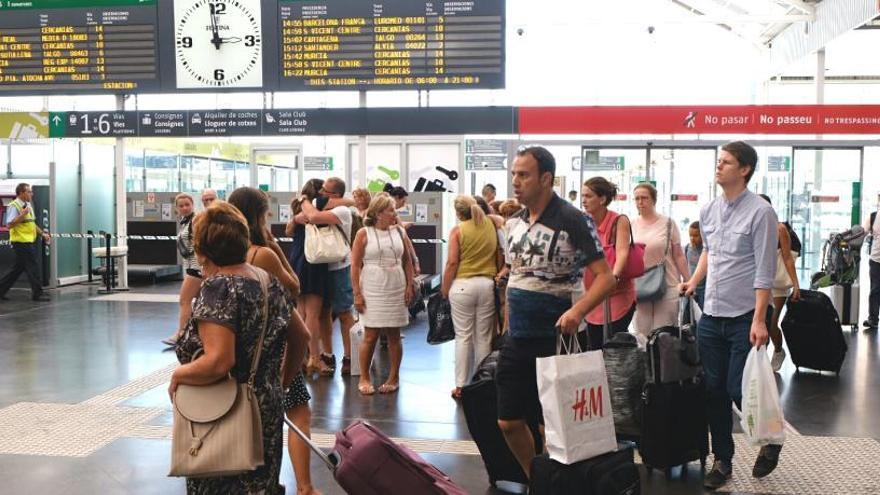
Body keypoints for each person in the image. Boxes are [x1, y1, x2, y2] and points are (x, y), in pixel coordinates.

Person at [498, 146, 614, 479]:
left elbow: (605, 278)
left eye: (524, 175)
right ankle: (536, 476)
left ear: (546, 178)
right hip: (517, 338)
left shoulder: (573, 218)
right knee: (508, 420)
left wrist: (578, 311)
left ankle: (557, 482)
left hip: (559, 340)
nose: (516, 182)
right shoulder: (514, 223)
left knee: (555, 423)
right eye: (514, 175)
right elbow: (516, 278)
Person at [169, 201, 296, 495]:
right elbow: (300, 337)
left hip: (225, 408)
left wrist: (181, 375)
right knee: (261, 485)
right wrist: (279, 383)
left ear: (202, 249)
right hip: (266, 405)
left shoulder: (219, 288)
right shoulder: (267, 282)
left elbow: (218, 361)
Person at [681, 141, 781, 490]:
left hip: (744, 316)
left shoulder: (761, 213)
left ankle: (771, 440)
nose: (718, 166)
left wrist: (759, 320)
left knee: (738, 387)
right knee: (713, 390)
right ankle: (722, 460)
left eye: (726, 162)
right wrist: (694, 281)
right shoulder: (709, 210)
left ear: (745, 170)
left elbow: (764, 270)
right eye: (718, 161)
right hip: (712, 314)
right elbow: (710, 251)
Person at [226, 187, 319, 495]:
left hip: (239, 354)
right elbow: (293, 287)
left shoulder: (222, 254)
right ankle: (304, 486)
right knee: (298, 413)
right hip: (274, 351)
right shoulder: (261, 253)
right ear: (258, 215)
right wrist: (276, 248)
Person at [351, 193, 416, 395]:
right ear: (379, 213)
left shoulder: (400, 232)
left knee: (394, 334)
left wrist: (409, 285)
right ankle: (364, 377)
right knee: (370, 335)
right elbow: (354, 265)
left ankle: (394, 377)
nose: (394, 213)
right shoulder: (363, 233)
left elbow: (407, 261)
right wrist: (357, 293)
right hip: (372, 285)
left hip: (396, 283)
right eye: (390, 210)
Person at [441, 195, 501, 400]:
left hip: (462, 286)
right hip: (487, 285)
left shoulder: (458, 231)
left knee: (463, 337)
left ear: (458, 213)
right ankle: (482, 383)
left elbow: (452, 263)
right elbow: (498, 254)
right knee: (483, 337)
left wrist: (444, 288)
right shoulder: (491, 225)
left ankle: (460, 385)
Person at [299, 178, 358, 376]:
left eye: (324, 190)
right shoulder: (326, 206)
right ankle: (327, 354)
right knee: (324, 314)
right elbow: (299, 220)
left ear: (333, 195)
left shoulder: (341, 211)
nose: (320, 193)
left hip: (340, 268)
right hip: (321, 267)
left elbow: (313, 216)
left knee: (343, 313)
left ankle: (349, 357)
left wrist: (303, 200)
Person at [580, 177, 637, 349]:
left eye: (588, 196)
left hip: (617, 294)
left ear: (603, 199)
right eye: (582, 196)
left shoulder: (619, 221)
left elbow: (622, 251)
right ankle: (597, 376)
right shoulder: (582, 222)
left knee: (614, 347)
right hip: (591, 295)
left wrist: (614, 277)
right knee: (593, 346)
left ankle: (615, 375)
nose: (583, 200)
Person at [631, 182, 690, 337]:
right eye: (636, 198)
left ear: (653, 200)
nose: (640, 202)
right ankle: (644, 362)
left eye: (644, 198)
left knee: (664, 334)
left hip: (667, 283)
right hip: (640, 284)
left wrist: (689, 280)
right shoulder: (631, 225)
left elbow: (679, 255)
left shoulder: (668, 223)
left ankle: (663, 362)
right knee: (641, 333)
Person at [287, 179, 332, 375]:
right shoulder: (318, 206)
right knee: (313, 314)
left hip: (297, 259)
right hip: (314, 261)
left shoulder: (297, 208)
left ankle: (301, 358)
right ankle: (315, 357)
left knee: (302, 311)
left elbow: (288, 231)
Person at [758, 194, 801, 372]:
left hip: (777, 283)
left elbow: (787, 258)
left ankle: (777, 351)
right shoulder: (753, 228)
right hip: (760, 282)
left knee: (771, 321)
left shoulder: (779, 229)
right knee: (759, 320)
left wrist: (796, 285)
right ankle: (759, 359)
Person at [0, 183, 51, 302]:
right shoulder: (14, 206)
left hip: (27, 241)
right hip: (21, 242)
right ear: (21, 193)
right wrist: (21, 215)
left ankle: (1, 290)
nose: (31, 194)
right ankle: (38, 294)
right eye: (29, 192)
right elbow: (10, 224)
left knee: (17, 269)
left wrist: (42, 233)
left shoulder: (28, 205)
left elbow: (31, 223)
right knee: (33, 266)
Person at [164, 193, 201, 345]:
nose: (184, 208)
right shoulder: (184, 222)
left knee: (184, 300)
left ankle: (181, 334)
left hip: (196, 267)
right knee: (199, 302)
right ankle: (195, 333)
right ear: (177, 208)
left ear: (193, 204)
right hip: (190, 267)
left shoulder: (196, 221)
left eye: (187, 204)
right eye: (181, 205)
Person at [865, 206, 880, 330]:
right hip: (876, 259)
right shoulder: (873, 216)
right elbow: (862, 232)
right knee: (875, 290)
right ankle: (873, 319)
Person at [685, 221, 706, 309]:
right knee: (687, 316)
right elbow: (686, 266)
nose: (692, 238)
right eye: (690, 235)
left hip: (704, 289)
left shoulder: (706, 251)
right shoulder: (687, 248)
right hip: (691, 288)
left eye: (695, 236)